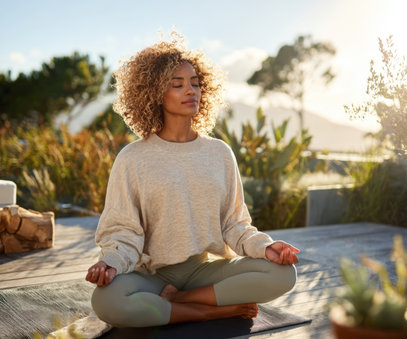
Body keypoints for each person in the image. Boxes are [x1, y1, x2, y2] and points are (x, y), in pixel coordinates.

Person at [85, 33, 300, 328]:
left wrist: (266, 247)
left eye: (195, 83)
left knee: (283, 274)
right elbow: (124, 231)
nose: (191, 90)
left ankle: (180, 301)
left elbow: (235, 225)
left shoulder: (219, 153)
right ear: (154, 93)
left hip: (205, 270)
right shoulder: (132, 158)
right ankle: (213, 310)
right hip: (152, 275)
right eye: (178, 84)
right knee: (106, 301)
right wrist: (110, 263)